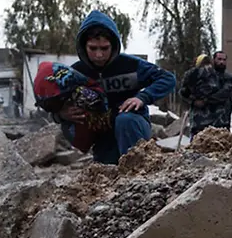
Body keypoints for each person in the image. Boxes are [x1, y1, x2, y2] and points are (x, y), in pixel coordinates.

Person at [57, 10, 176, 164]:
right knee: (107, 173)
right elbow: (53, 102)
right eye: (93, 48)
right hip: (102, 136)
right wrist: (62, 114)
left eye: (104, 48)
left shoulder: (130, 65)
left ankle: (137, 170)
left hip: (133, 125)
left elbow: (167, 78)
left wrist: (142, 97)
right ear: (83, 46)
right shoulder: (75, 73)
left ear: (113, 46)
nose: (99, 55)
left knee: (125, 121)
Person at [182, 51, 232, 137]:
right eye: (219, 59)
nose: (221, 62)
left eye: (224, 60)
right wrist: (193, 101)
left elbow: (223, 94)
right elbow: (184, 92)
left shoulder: (228, 78)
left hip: (221, 122)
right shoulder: (200, 75)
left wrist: (205, 100)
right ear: (213, 60)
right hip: (200, 123)